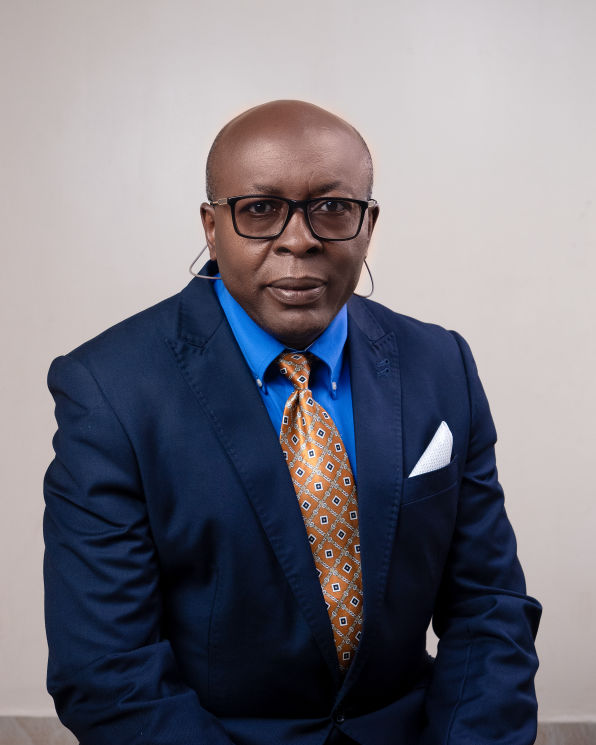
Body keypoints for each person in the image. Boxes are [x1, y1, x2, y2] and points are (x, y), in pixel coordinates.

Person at [43, 100, 541, 745]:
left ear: (368, 224)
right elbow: (108, 671)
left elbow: (489, 606)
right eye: (259, 209)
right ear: (212, 227)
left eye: (332, 207)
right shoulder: (109, 389)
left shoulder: (441, 364)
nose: (299, 238)